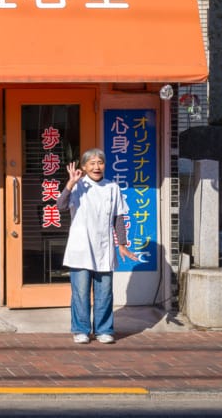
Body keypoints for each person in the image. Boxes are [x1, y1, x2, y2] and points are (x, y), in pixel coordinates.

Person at [57, 147, 137, 344]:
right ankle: (80, 330)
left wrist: (123, 244)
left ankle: (103, 329)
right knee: (81, 292)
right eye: (91, 163)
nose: (96, 166)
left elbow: (119, 217)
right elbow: (60, 205)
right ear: (84, 167)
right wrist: (70, 184)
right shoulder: (77, 185)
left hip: (104, 247)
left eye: (100, 162)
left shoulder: (112, 187)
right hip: (81, 247)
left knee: (104, 292)